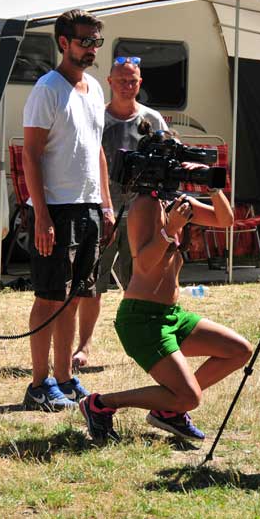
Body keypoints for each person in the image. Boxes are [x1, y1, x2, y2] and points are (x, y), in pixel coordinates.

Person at [78, 142, 253, 443]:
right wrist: (170, 229)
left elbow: (225, 220)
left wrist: (212, 189)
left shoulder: (175, 203)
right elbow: (145, 264)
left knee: (240, 351)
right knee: (190, 398)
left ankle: (170, 408)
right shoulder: (143, 207)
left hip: (171, 315)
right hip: (142, 321)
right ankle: (100, 404)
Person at [21, 9, 114, 411]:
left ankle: (63, 377)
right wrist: (42, 216)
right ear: (64, 43)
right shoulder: (47, 89)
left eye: (97, 42)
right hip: (55, 210)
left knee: (74, 298)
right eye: (85, 41)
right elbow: (30, 155)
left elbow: (96, 149)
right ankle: (38, 384)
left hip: (88, 208)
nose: (92, 49)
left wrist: (105, 204)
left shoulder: (94, 89)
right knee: (49, 298)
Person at [74, 56, 169, 370]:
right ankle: (83, 347)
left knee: (140, 283)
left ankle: (148, 343)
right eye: (122, 81)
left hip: (142, 216)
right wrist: (102, 207)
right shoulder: (97, 118)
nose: (128, 86)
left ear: (140, 83)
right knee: (92, 284)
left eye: (133, 81)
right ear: (110, 83)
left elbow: (167, 163)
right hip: (101, 213)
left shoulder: (152, 120)